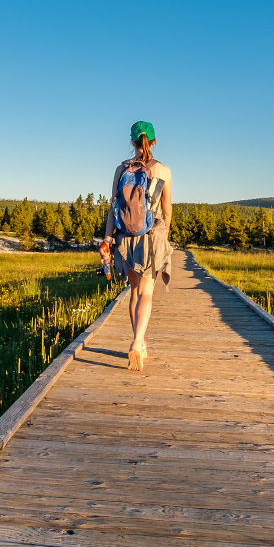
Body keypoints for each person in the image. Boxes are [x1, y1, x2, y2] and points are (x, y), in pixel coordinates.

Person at [100, 120, 172, 371]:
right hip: (151, 236)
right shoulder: (163, 170)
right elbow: (167, 207)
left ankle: (138, 343)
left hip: (124, 239)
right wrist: (165, 233)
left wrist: (108, 239)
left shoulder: (121, 169)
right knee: (147, 292)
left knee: (133, 292)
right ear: (154, 141)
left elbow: (113, 207)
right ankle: (138, 341)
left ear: (132, 142)